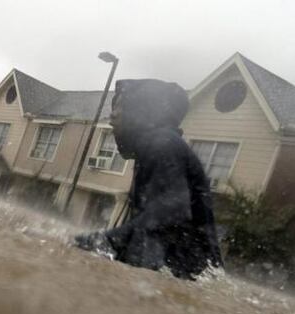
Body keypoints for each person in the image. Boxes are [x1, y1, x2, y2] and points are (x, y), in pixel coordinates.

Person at [74, 79, 223, 280]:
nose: (112, 116)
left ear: (141, 110)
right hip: (188, 282)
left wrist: (100, 243)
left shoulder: (163, 144)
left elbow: (169, 213)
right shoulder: (161, 146)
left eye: (119, 106)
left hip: (189, 285)